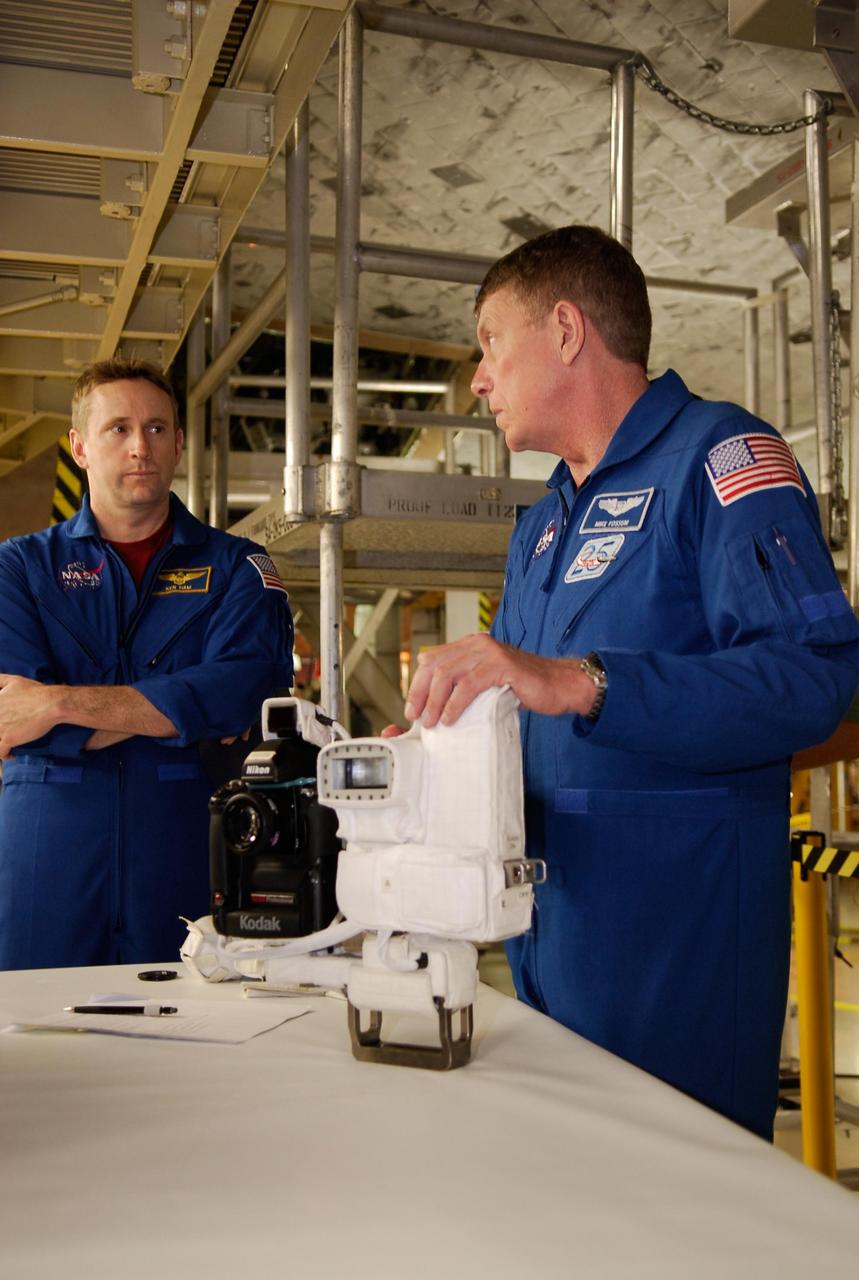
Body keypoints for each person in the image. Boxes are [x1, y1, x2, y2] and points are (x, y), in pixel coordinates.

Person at [401, 225, 859, 1140]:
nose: (477, 380)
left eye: (490, 343)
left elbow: (813, 679)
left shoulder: (721, 459)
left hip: (674, 936)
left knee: (683, 1214)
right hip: (548, 928)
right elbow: (517, 705)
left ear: (565, 332)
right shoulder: (540, 527)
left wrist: (584, 683)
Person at [0, 358, 294, 969]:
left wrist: (57, 704)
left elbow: (243, 691)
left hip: (185, 838)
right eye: (119, 430)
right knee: (36, 1038)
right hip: (45, 849)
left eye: (158, 429)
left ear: (180, 444)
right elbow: (9, 714)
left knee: (190, 1030)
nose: (141, 447)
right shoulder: (19, 569)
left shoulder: (239, 567)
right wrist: (178, 712)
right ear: (80, 447)